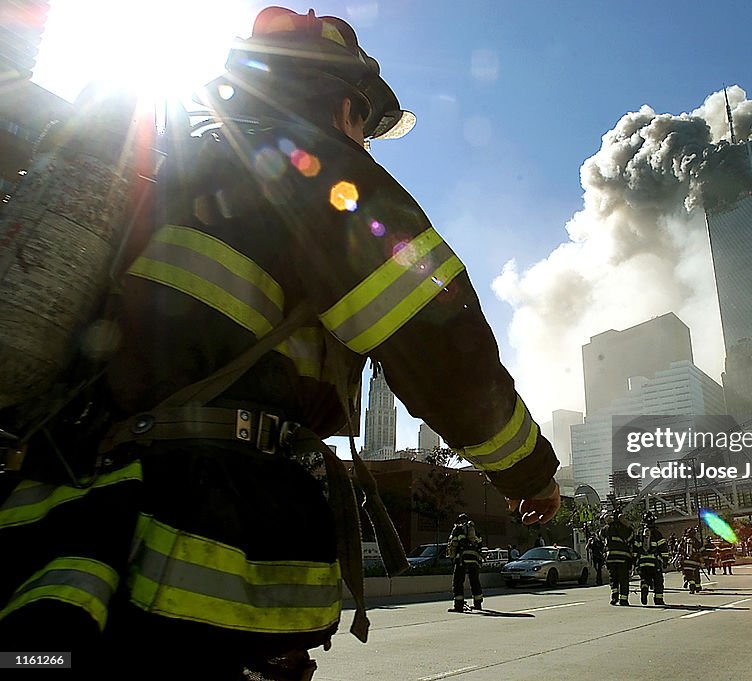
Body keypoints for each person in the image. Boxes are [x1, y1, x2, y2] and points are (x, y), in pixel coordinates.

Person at [0, 7, 560, 678]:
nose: (366, 141)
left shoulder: (166, 165)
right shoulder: (321, 174)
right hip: (198, 546)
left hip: (67, 527)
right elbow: (443, 348)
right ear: (344, 100)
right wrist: (529, 471)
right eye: (364, 121)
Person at [448, 514, 484, 611]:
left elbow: (453, 544)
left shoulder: (458, 529)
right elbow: (480, 545)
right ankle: (478, 603)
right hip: (474, 559)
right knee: (475, 581)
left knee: (458, 581)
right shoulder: (475, 531)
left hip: (461, 558)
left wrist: (452, 557)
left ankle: (458, 605)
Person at [633, 512, 667, 606]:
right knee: (658, 581)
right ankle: (658, 599)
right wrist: (665, 560)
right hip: (654, 562)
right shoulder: (657, 533)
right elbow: (663, 548)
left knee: (644, 578)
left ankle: (644, 588)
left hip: (642, 562)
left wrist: (634, 561)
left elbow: (635, 548)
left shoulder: (639, 533)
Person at [601, 509, 634, 606]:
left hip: (610, 557)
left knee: (613, 578)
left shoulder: (607, 528)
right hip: (623, 558)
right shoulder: (625, 529)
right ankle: (623, 599)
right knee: (623, 579)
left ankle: (614, 597)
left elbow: (599, 537)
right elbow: (631, 537)